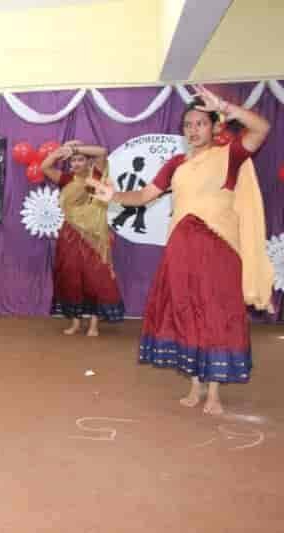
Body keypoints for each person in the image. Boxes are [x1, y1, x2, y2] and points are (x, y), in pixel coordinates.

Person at [87, 85, 274, 415]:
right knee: (187, 314)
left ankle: (214, 393)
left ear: (214, 126)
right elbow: (144, 196)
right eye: (188, 125)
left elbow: (261, 129)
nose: (193, 130)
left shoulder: (230, 155)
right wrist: (112, 196)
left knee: (217, 316)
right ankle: (195, 386)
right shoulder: (176, 163)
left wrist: (226, 106)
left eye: (200, 123)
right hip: (181, 251)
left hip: (219, 251)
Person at [41, 140, 124, 336]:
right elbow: (45, 166)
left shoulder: (95, 176)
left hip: (93, 236)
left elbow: (102, 151)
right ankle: (76, 323)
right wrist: (61, 151)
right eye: (73, 161)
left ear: (88, 162)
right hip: (70, 234)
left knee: (95, 278)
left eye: (80, 160)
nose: (76, 163)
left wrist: (75, 149)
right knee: (71, 277)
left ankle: (94, 325)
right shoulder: (66, 179)